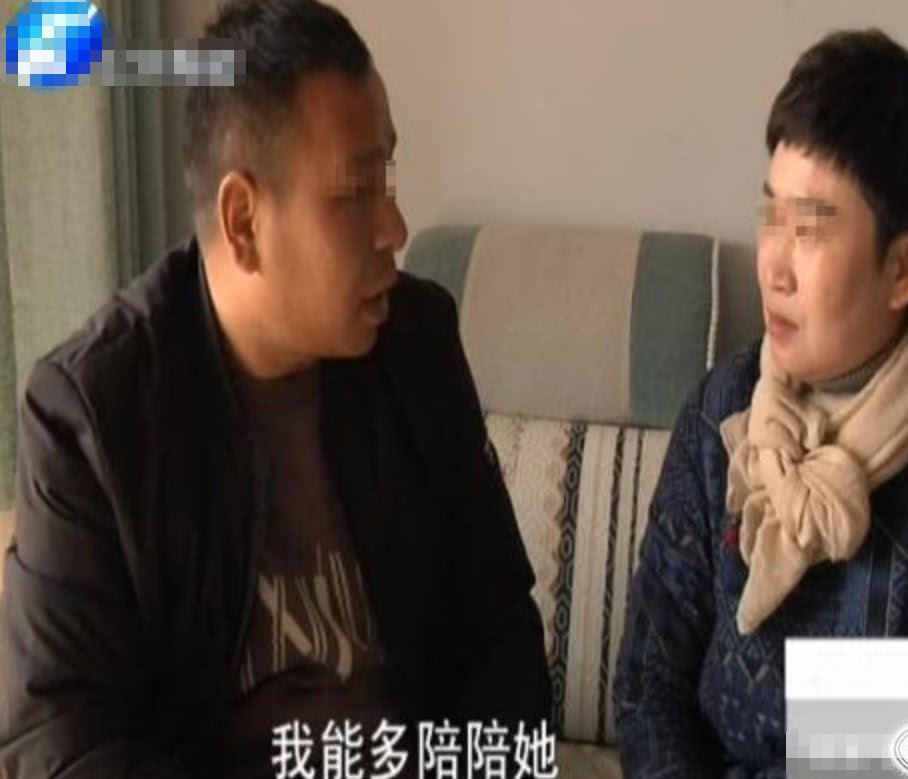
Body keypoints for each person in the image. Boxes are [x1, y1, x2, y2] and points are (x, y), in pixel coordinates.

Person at [0, 1, 550, 776]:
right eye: (355, 192)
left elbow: (498, 629)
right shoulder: (93, 413)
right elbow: (60, 738)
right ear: (243, 221)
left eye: (388, 179)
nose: (394, 227)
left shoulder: (417, 344)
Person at [614, 28, 908, 777]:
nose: (773, 266)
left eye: (810, 230)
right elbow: (647, 684)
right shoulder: (722, 413)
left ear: (904, 267)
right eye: (769, 217)